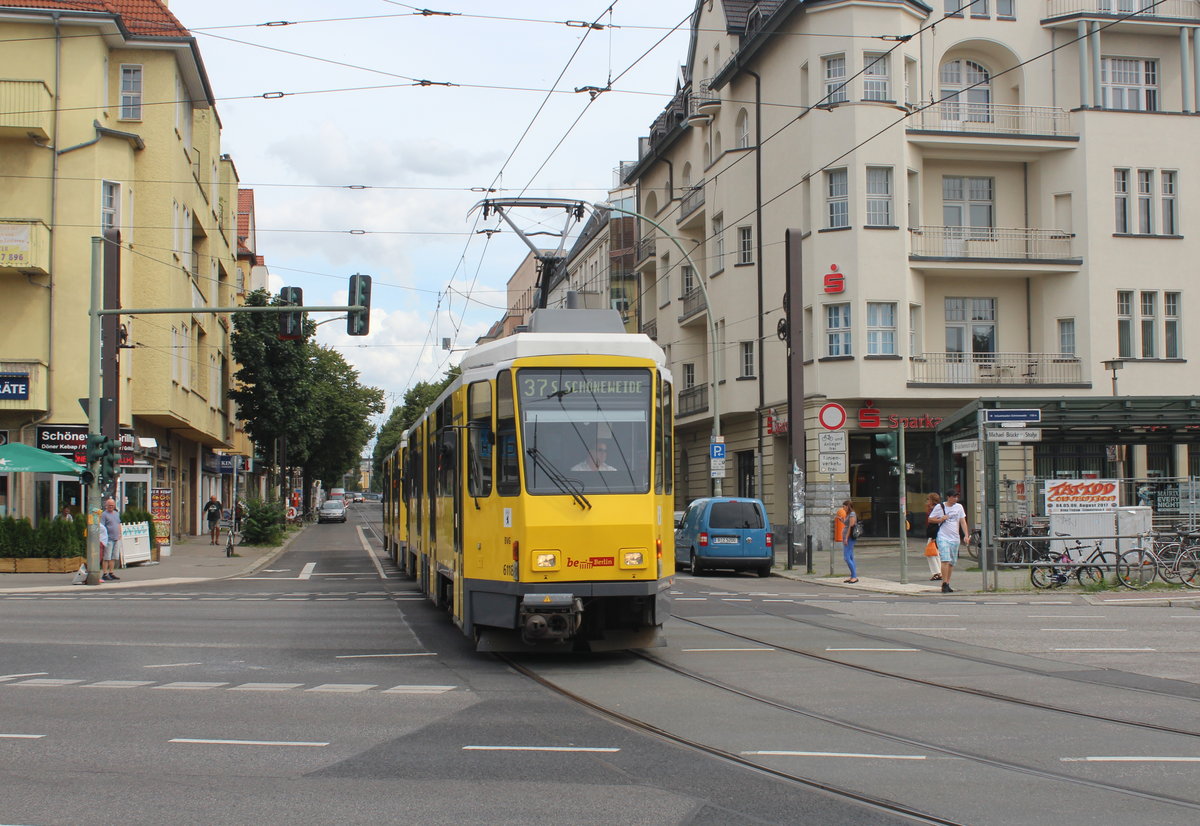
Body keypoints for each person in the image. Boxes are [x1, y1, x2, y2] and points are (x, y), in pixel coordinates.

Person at [929, 490, 968, 593]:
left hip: (955, 538)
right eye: (954, 497)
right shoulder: (940, 507)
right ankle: (944, 583)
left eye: (957, 497)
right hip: (943, 537)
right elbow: (930, 519)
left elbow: (963, 522)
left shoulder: (959, 507)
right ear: (948, 497)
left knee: (951, 562)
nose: (956, 499)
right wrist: (940, 519)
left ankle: (947, 582)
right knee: (945, 560)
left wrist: (966, 535)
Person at [835, 499, 858, 584]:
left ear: (848, 506)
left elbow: (851, 527)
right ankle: (853, 576)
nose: (843, 508)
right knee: (850, 557)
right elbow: (847, 524)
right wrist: (842, 520)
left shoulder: (852, 514)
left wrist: (846, 538)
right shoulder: (849, 514)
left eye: (844, 506)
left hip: (849, 538)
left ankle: (854, 576)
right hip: (847, 537)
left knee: (847, 557)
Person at [99, 497, 122, 582]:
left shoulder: (116, 514)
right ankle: (105, 573)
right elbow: (102, 527)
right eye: (109, 505)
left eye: (112, 505)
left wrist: (120, 533)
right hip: (108, 539)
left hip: (116, 538)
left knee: (113, 557)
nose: (111, 507)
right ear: (106, 506)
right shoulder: (104, 515)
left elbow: (118, 524)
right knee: (107, 557)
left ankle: (111, 572)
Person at [924, 493, 943, 581]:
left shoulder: (935, 509)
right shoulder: (935, 508)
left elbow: (935, 521)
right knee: (935, 553)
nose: (927, 501)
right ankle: (939, 572)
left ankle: (936, 572)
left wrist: (934, 536)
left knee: (930, 553)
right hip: (935, 533)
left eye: (928, 499)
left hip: (934, 533)